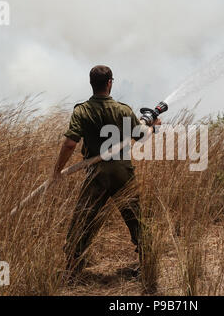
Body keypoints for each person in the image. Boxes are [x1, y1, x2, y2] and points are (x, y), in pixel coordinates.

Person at [51, 65, 161, 280]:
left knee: (84, 219)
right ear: (110, 82)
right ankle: (148, 265)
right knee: (136, 217)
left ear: (91, 83)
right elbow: (142, 137)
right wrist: (153, 126)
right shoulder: (123, 109)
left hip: (96, 174)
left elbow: (70, 144)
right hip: (122, 172)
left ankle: (73, 268)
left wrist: (56, 172)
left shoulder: (81, 111)